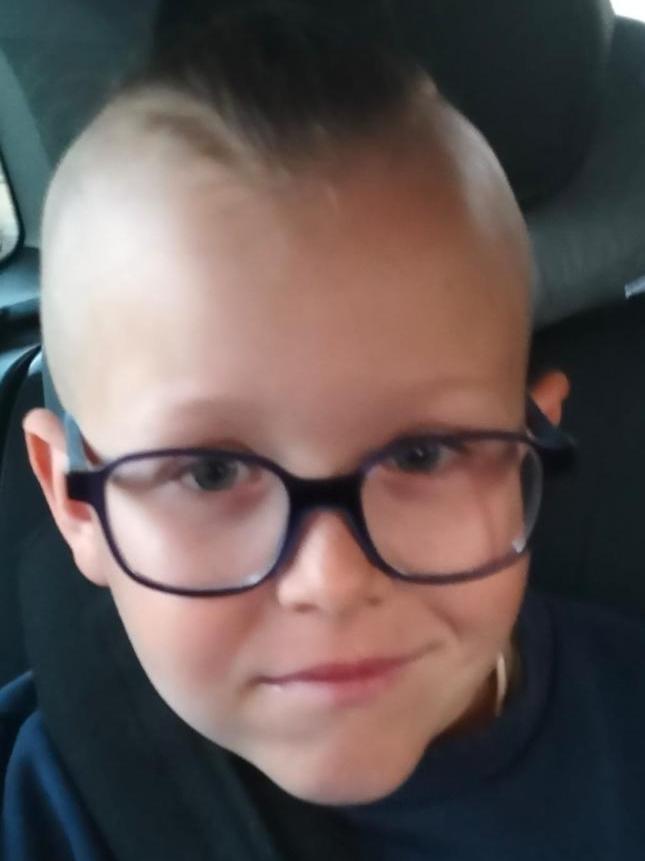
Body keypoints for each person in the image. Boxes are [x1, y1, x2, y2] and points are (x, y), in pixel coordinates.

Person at [2, 5, 645, 859]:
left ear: (530, 445)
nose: (332, 580)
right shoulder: (54, 807)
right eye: (209, 472)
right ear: (73, 501)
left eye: (421, 454)